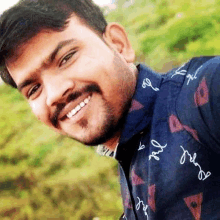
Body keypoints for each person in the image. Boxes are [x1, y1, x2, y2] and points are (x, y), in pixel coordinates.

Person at [0, 0, 219, 219]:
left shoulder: (205, 92)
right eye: (34, 89)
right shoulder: (131, 168)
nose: (54, 94)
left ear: (117, 43)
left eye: (66, 58)